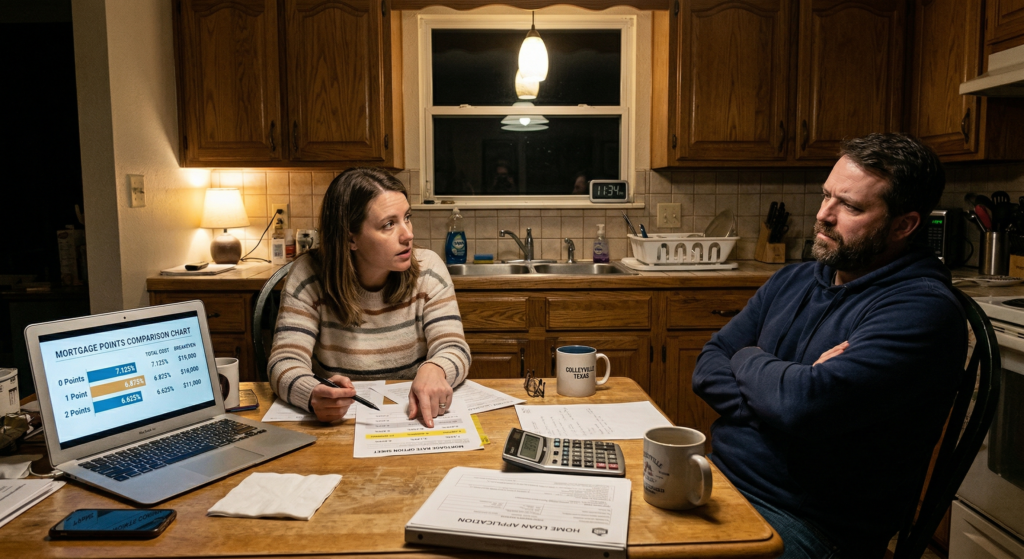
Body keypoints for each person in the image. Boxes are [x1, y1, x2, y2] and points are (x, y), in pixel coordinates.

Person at [692, 133, 966, 558]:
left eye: (850, 206)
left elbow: (801, 405)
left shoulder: (921, 310)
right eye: (826, 196)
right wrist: (781, 399)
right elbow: (708, 365)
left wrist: (748, 360)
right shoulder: (794, 279)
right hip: (719, 477)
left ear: (904, 225)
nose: (823, 215)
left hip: (811, 526)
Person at [268, 168, 470, 428]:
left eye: (407, 217)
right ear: (351, 238)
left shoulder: (429, 267)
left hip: (412, 418)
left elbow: (454, 348)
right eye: (389, 224)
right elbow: (284, 362)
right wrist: (312, 394)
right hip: (338, 424)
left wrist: (436, 369)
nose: (408, 234)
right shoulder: (307, 275)